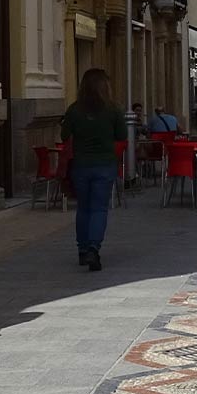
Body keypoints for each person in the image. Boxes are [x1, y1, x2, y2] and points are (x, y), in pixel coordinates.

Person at [61, 68, 127, 271]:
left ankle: (82, 249)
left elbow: (64, 135)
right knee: (99, 208)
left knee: (83, 207)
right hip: (105, 165)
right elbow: (122, 135)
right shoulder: (113, 109)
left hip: (81, 165)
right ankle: (93, 248)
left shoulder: (74, 109)